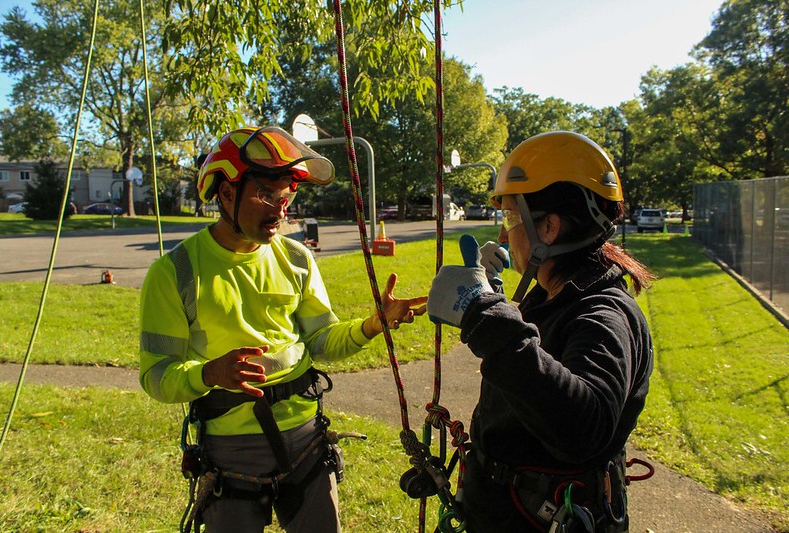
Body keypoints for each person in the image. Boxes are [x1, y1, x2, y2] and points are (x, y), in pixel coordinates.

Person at [139, 125, 427, 532]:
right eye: (265, 195)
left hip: (307, 441)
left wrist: (372, 325)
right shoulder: (175, 273)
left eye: (286, 196)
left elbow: (322, 341)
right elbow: (156, 376)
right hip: (231, 451)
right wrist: (210, 373)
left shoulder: (296, 258)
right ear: (225, 194)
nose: (279, 210)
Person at [427, 131, 655, 532]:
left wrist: (483, 312)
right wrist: (495, 297)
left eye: (512, 217)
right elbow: (535, 367)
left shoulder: (604, 314)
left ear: (548, 227)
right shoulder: (559, 295)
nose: (503, 234)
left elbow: (583, 428)